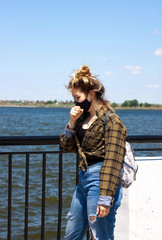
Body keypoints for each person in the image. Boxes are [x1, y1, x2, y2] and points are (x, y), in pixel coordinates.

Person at [60, 65, 128, 240]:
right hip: (83, 180)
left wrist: (105, 198)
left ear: (91, 94)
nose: (75, 102)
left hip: (101, 182)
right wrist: (72, 122)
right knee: (72, 233)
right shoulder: (83, 118)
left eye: (78, 97)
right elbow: (66, 146)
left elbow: (113, 160)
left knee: (100, 235)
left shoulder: (112, 121)